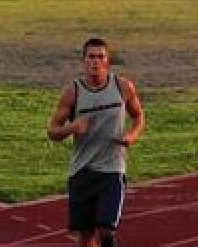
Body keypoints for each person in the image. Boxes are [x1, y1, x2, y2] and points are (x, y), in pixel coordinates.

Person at [46, 36, 146, 247]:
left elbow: (138, 115)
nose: (95, 62)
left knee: (107, 230)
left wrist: (131, 136)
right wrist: (72, 128)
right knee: (86, 235)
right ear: (84, 61)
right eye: (91, 57)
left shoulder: (123, 87)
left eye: (100, 57)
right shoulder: (72, 92)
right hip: (82, 170)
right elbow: (52, 131)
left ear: (108, 61)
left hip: (112, 169)